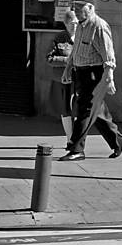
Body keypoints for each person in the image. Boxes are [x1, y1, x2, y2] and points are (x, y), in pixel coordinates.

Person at [58, 0, 122, 161]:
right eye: (74, 7)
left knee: (84, 110)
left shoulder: (99, 26)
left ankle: (76, 149)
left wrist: (109, 77)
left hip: (94, 74)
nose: (75, 10)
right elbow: (76, 50)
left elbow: (108, 54)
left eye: (79, 7)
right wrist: (68, 69)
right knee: (96, 111)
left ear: (90, 7)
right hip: (81, 73)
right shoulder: (81, 26)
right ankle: (119, 141)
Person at [48, 9, 78, 146]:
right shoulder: (59, 38)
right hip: (61, 80)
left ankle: (77, 139)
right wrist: (66, 60)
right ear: (65, 24)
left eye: (77, 23)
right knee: (65, 110)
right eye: (72, 23)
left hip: (78, 80)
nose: (75, 26)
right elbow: (49, 58)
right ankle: (69, 139)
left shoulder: (83, 37)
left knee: (77, 110)